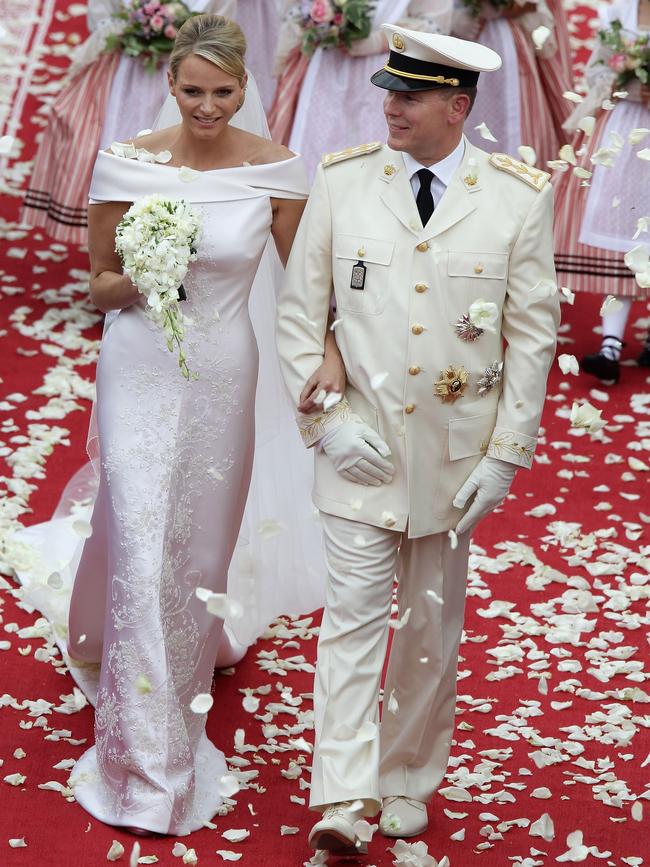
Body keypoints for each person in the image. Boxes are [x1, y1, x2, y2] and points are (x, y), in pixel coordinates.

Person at [16, 14, 345, 836]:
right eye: (192, 90)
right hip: (136, 367)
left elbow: (306, 290)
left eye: (222, 92)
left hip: (224, 371)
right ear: (169, 82)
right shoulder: (128, 162)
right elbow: (95, 281)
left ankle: (184, 663)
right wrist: (137, 282)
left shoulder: (274, 169)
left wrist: (330, 359)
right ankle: (146, 758)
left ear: (246, 89)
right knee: (138, 532)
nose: (206, 106)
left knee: (196, 546)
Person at [277, 24, 560, 855]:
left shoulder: (514, 197)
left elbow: (532, 337)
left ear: (457, 105)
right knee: (355, 619)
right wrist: (326, 426)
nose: (390, 107)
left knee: (431, 628)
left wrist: (506, 456)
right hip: (359, 446)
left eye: (409, 96)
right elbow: (302, 313)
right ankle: (341, 794)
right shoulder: (343, 183)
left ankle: (404, 778)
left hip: (453, 458)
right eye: (391, 93)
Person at [21, 0, 236, 245]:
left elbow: (222, 25)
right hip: (126, 70)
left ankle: (175, 226)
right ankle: (118, 231)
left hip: (190, 75)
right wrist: (137, 29)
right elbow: (103, 16)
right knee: (118, 145)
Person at [553, 0, 650, 384]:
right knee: (624, 231)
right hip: (626, 131)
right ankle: (610, 344)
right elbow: (597, 68)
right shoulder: (621, 12)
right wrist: (625, 80)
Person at [270, 0, 453, 178]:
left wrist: (380, 39)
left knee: (375, 156)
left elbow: (434, 24)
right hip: (325, 69)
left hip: (383, 71)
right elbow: (292, 9)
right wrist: (318, 19)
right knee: (315, 152)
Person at [452, 0, 573, 169]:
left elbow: (530, 5)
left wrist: (500, 6)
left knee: (515, 112)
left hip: (507, 41)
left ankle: (517, 173)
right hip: (464, 42)